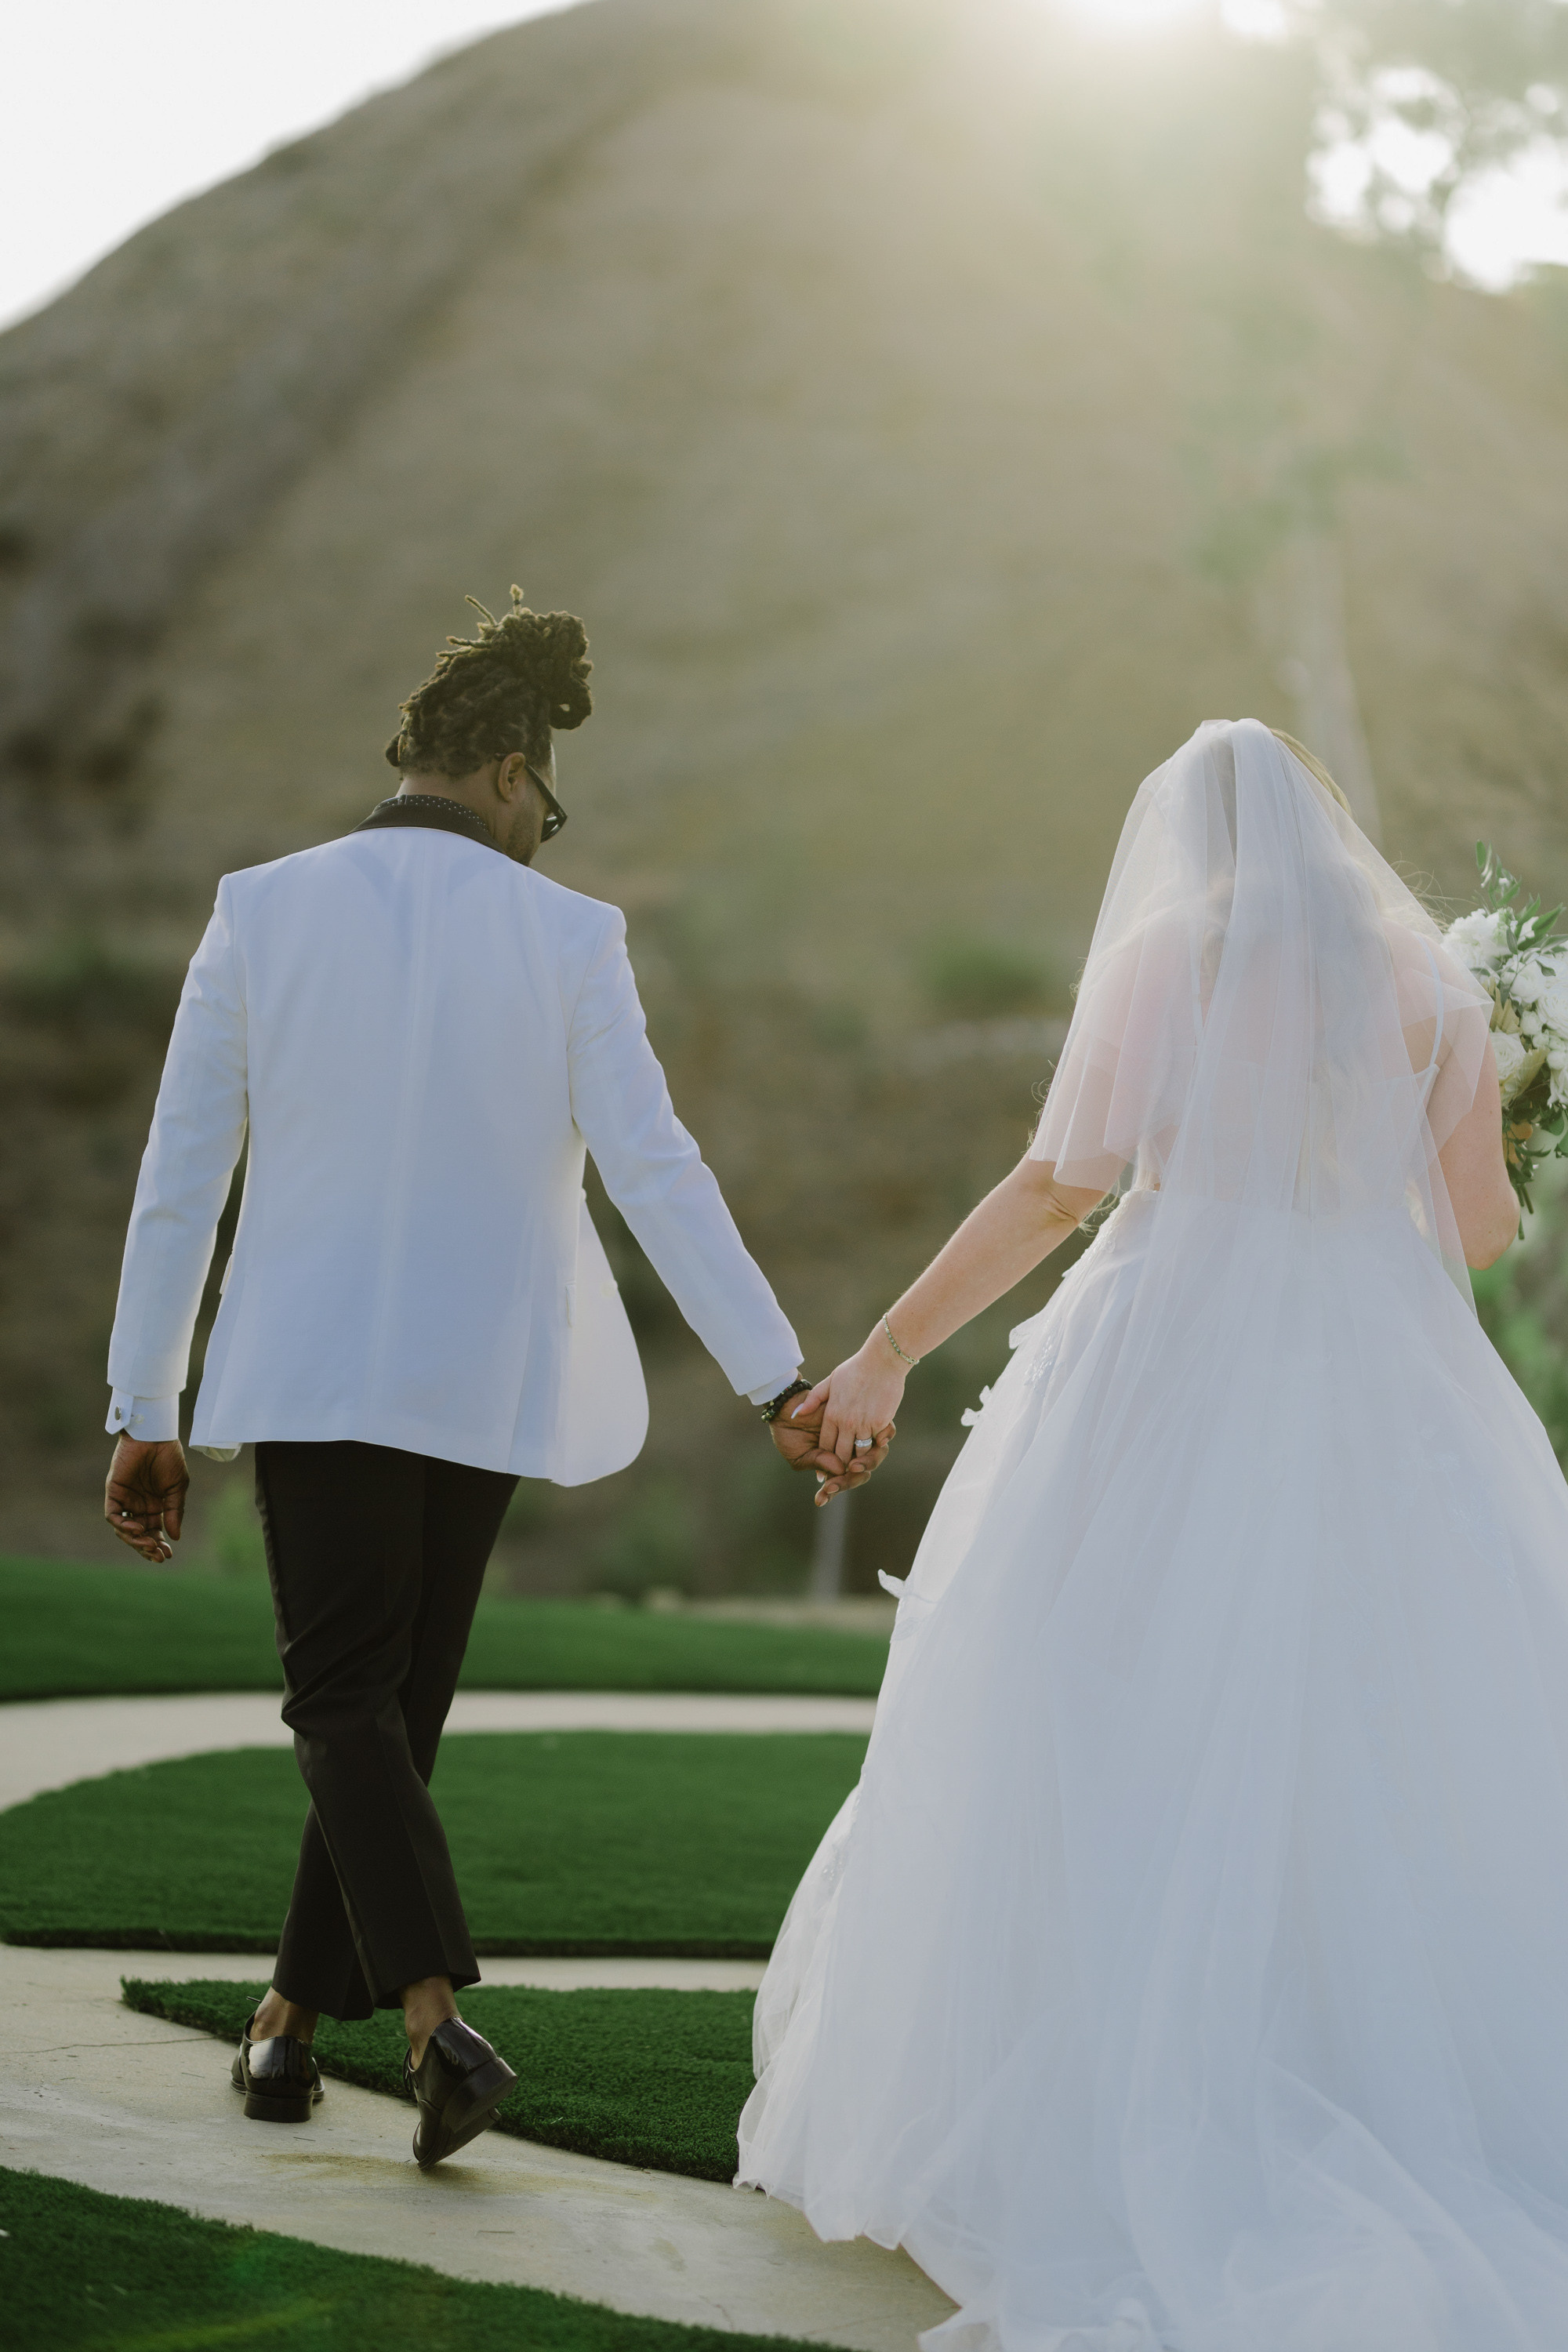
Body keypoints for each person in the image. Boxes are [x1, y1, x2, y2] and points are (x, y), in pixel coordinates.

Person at [736, 718, 1568, 2350]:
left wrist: (888, 1351)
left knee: (1102, 1707)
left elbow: (1061, 1188)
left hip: (1169, 1351)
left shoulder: (1161, 962)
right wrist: (1486, 1129)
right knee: (1385, 1728)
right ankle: (1374, 2078)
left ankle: (1126, 2087)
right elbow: (1476, 1232)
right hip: (1380, 1373)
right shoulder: (1434, 988)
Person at [100, 586, 886, 2169]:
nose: (545, 835)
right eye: (550, 809)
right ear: (516, 774)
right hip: (482, 1375)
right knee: (388, 1708)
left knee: (348, 1701)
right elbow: (656, 1171)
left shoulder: (261, 908)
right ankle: (293, 2025)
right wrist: (776, 1379)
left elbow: (181, 1179)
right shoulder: (570, 936)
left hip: (309, 1366)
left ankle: (425, 2017)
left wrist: (146, 1408)